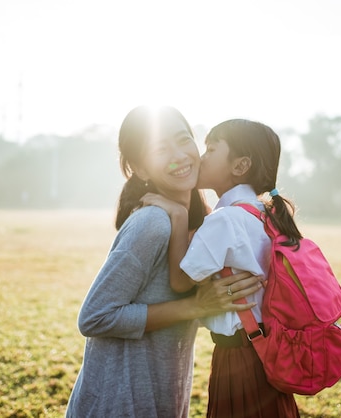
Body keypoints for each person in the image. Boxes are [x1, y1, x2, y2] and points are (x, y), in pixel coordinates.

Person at [64, 106, 263, 418]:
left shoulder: (201, 224)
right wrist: (196, 306)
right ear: (140, 169)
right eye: (160, 148)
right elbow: (94, 316)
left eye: (184, 140)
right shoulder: (153, 224)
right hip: (117, 404)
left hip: (161, 398)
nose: (179, 155)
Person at [141, 119, 302, 417]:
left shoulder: (225, 219)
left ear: (240, 166)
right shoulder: (261, 212)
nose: (201, 157)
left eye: (212, 149)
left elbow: (179, 281)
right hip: (265, 351)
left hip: (240, 360)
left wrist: (178, 215)